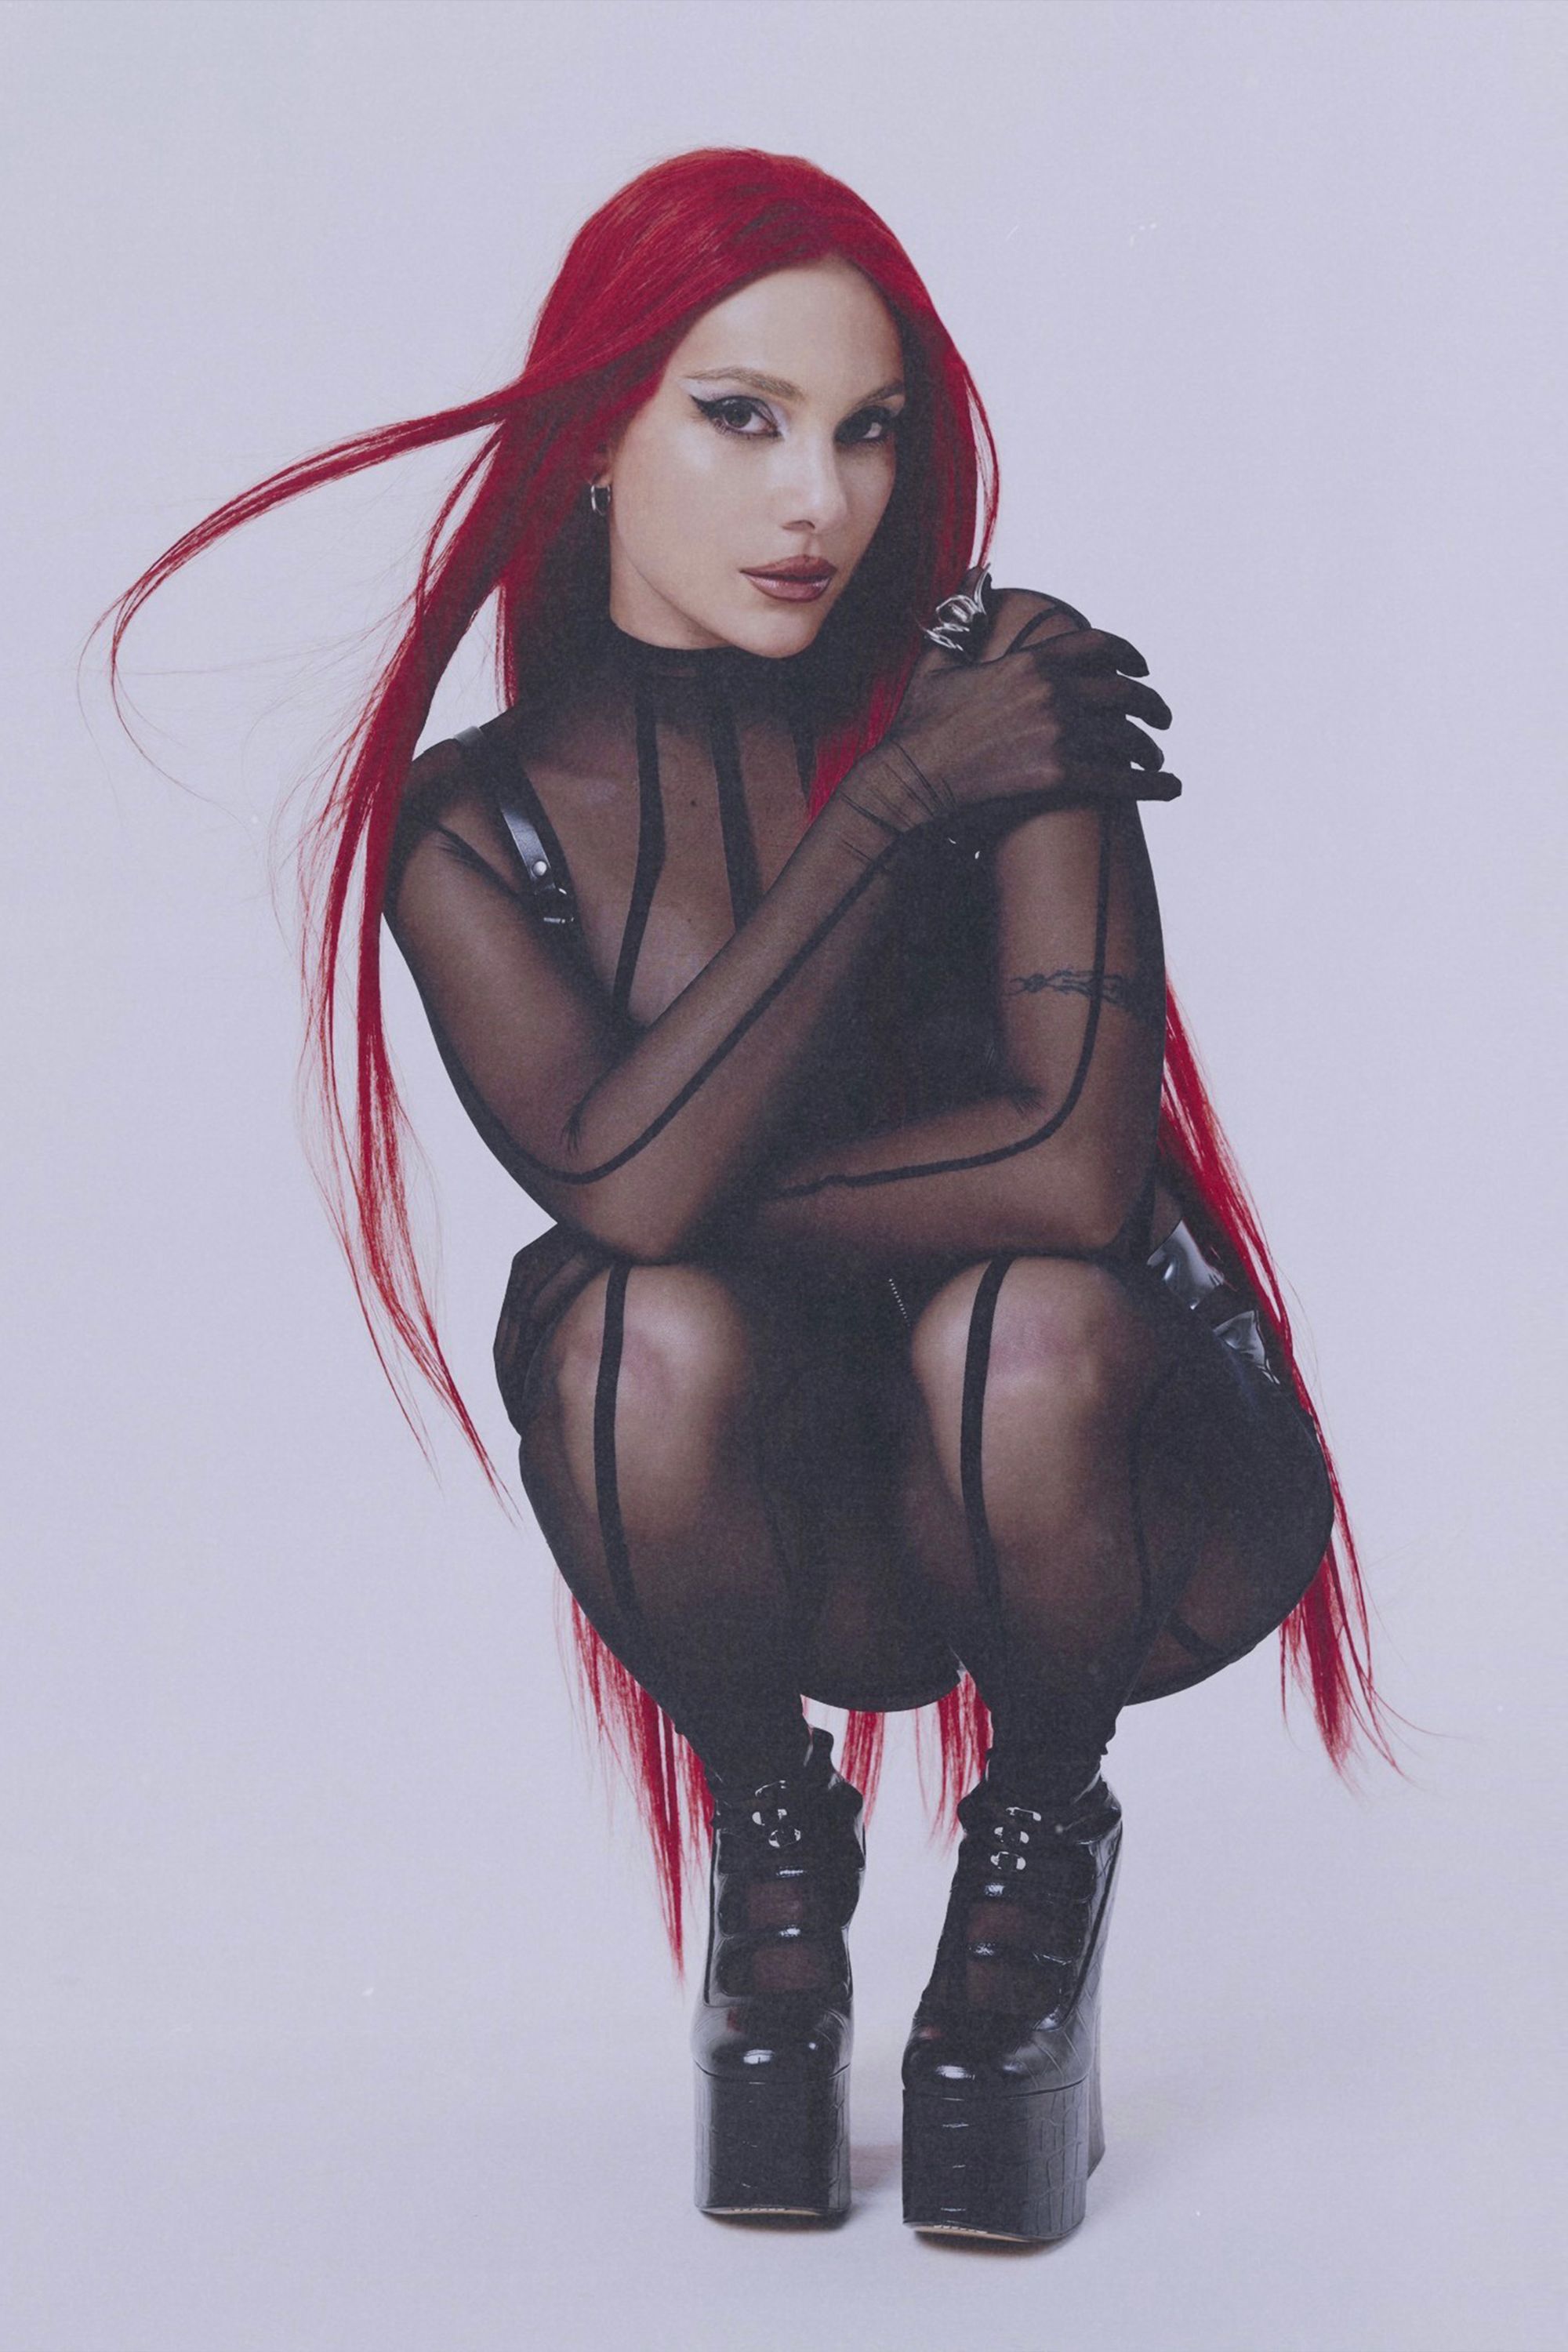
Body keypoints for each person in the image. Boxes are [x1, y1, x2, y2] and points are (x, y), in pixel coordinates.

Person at [101, 147, 1400, 2244]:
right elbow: (622, 1199)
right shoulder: (476, 829)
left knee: (992, 1319)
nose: (822, 501)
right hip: (768, 1520)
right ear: (597, 440)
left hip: (1100, 1467)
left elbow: (1070, 1165)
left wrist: (676, 1177)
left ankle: (1036, 1851)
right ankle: (778, 1846)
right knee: (630, 1335)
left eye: (869, 431)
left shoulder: (1002, 683)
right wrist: (889, 812)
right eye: (745, 418)